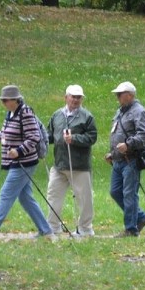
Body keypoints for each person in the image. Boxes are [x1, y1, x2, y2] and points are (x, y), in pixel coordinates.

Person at [0, 85, 54, 240]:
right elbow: (5, 136)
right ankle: (46, 231)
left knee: (6, 193)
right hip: (16, 161)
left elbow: (34, 137)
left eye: (6, 100)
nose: (3, 102)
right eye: (2, 100)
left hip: (25, 161)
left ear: (15, 100)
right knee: (25, 198)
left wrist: (19, 150)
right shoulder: (10, 113)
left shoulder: (26, 112)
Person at [46, 84, 98, 237]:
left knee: (84, 198)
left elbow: (92, 137)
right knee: (53, 194)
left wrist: (74, 139)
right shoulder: (57, 115)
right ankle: (53, 226)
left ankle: (85, 229)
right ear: (66, 97)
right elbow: (50, 135)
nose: (76, 100)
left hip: (79, 165)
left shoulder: (87, 117)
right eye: (73, 96)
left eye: (79, 97)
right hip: (59, 164)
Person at [106, 81, 145, 237]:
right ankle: (141, 217)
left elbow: (143, 135)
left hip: (131, 159)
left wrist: (128, 145)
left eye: (120, 94)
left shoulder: (139, 111)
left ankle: (131, 229)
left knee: (129, 194)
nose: (117, 97)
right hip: (118, 159)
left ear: (130, 95)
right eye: (117, 94)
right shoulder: (120, 111)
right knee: (115, 191)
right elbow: (117, 132)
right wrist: (112, 153)